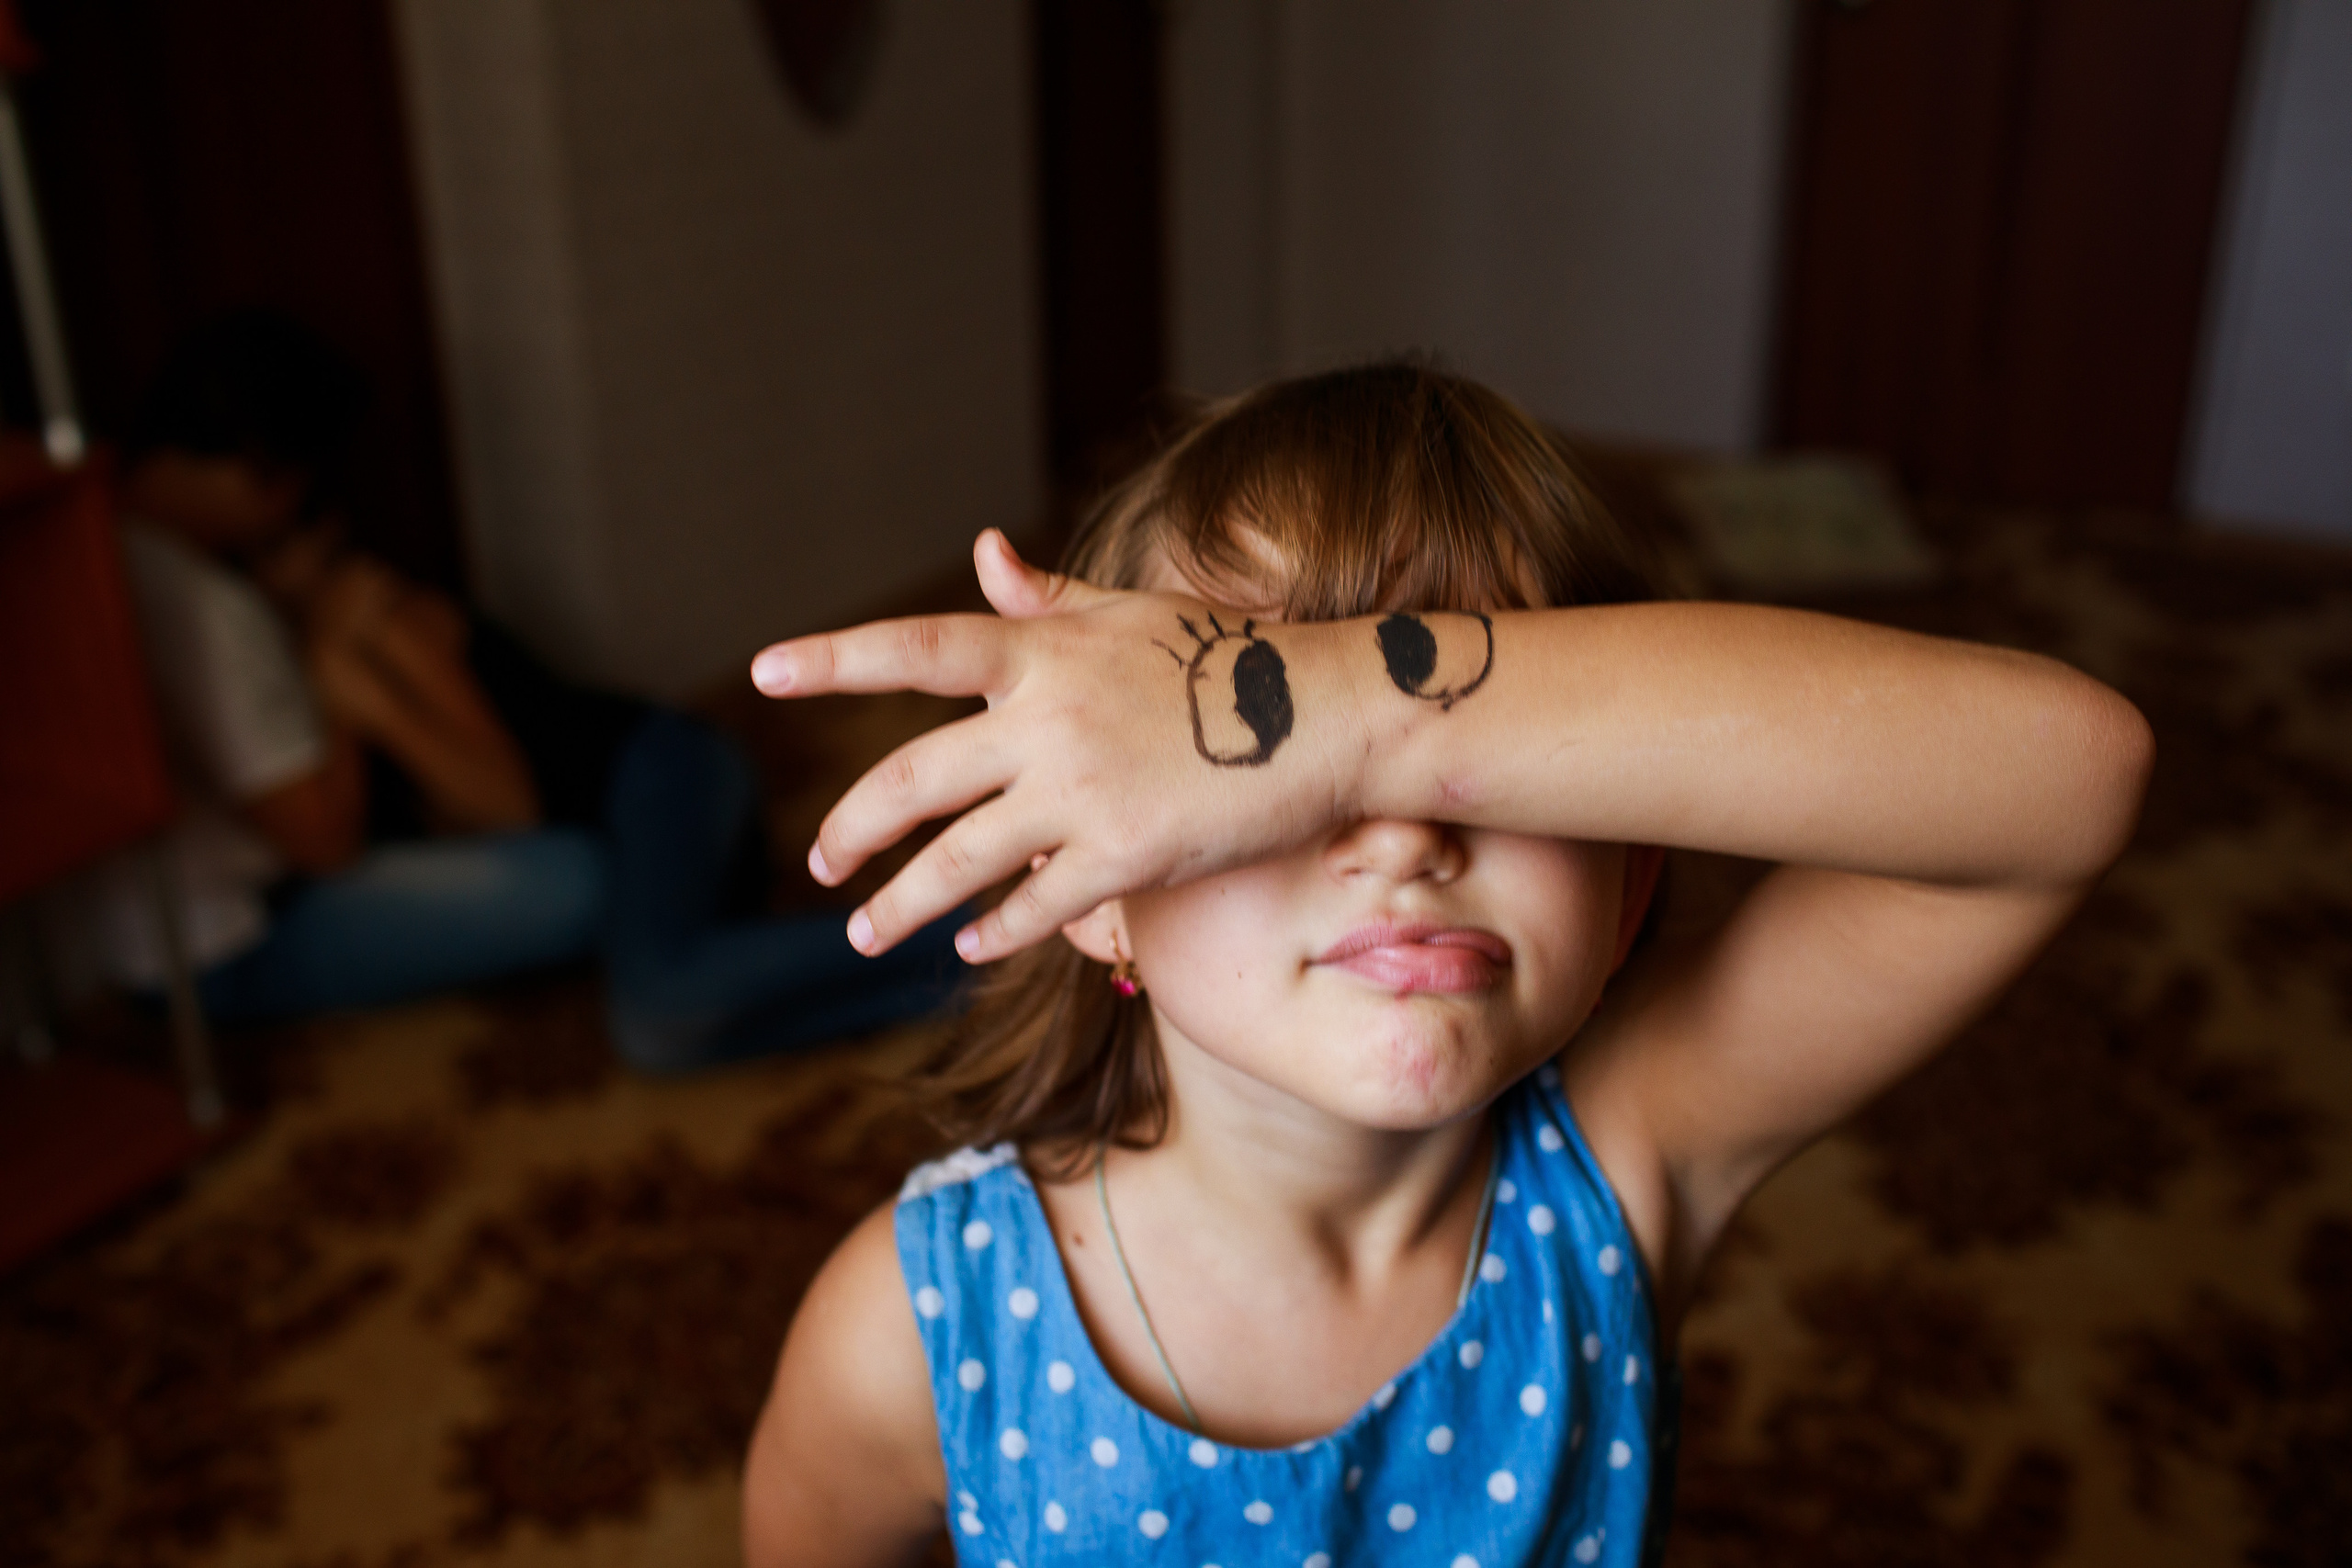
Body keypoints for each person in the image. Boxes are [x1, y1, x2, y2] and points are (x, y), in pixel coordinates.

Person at [736, 364, 2153, 1564]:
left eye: (1482, 764)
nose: (1407, 832)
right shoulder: (916, 1327)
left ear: (1628, 881)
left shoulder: (1626, 1161)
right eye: (1252, 741)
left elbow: (2072, 775)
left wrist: (1349, 708)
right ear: (1091, 888)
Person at [93, 309, 965, 1069]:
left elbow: (507, 803)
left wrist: (356, 688)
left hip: (657, 767)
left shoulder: (376, 620)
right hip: (607, 831)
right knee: (668, 1011)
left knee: (662, 1007)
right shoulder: (247, 629)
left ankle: (978, 951)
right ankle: (950, 971)